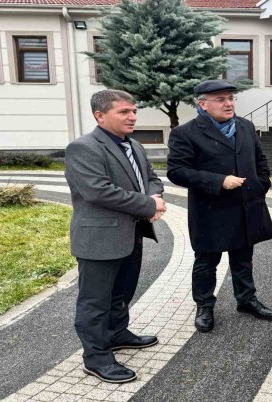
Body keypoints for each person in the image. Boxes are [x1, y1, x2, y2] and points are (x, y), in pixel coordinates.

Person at [65, 89, 166, 383]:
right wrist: (148, 205)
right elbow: (98, 191)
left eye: (134, 111)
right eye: (124, 112)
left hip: (131, 233)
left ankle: (117, 333)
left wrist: (154, 197)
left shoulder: (134, 145)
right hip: (99, 239)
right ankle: (96, 359)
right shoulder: (83, 148)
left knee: (122, 292)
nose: (132, 117)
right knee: (95, 302)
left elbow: (151, 178)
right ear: (100, 115)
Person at [167, 79, 272, 333]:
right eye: (221, 99)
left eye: (230, 98)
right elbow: (177, 171)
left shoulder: (246, 126)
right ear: (202, 104)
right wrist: (218, 181)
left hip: (245, 207)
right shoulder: (185, 133)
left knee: (243, 259)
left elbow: (260, 160)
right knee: (206, 263)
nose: (228, 104)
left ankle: (246, 299)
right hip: (211, 210)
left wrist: (260, 184)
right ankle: (204, 305)